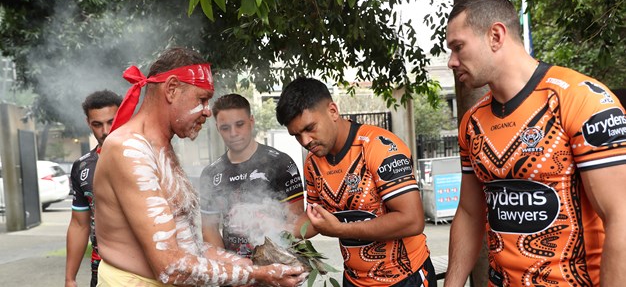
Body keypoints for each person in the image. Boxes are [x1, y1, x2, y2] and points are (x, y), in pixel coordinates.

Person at [444, 0, 626, 287]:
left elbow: (621, 217)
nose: (452, 61)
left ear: (496, 35)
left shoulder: (581, 100)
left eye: (458, 47)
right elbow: (468, 212)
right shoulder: (472, 123)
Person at [93, 47, 306, 287]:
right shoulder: (129, 149)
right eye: (202, 99)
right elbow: (169, 266)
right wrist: (257, 275)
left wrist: (248, 265)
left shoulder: (161, 147)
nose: (207, 111)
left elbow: (186, 246)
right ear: (172, 89)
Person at [275, 77, 436, 287]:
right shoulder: (312, 163)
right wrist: (273, 233)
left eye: (310, 128)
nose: (305, 141)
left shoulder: (380, 148)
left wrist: (340, 230)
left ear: (333, 111)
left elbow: (412, 220)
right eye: (296, 135)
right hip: (354, 280)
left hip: (406, 278)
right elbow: (315, 216)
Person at [199, 93, 305, 258]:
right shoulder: (211, 173)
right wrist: (231, 268)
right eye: (225, 128)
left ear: (251, 121)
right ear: (217, 128)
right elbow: (209, 230)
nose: (233, 133)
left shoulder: (282, 163)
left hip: (276, 267)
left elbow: (296, 223)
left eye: (239, 124)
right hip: (235, 274)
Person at [65, 90, 122, 287]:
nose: (105, 131)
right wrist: (70, 278)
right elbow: (79, 224)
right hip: (102, 267)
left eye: (111, 122)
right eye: (97, 124)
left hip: (142, 268)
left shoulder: (145, 155)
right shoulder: (82, 166)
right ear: (89, 123)